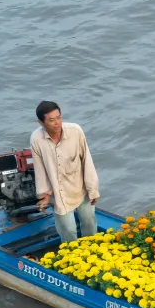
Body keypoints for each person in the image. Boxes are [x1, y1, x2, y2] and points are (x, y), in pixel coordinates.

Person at [29, 101, 99, 244]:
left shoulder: (75, 131)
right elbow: (40, 168)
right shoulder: (36, 139)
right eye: (52, 120)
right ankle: (71, 258)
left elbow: (87, 160)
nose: (57, 123)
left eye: (59, 117)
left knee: (89, 223)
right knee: (68, 230)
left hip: (80, 188)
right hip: (58, 192)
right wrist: (45, 195)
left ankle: (93, 253)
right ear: (41, 123)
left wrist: (93, 189)